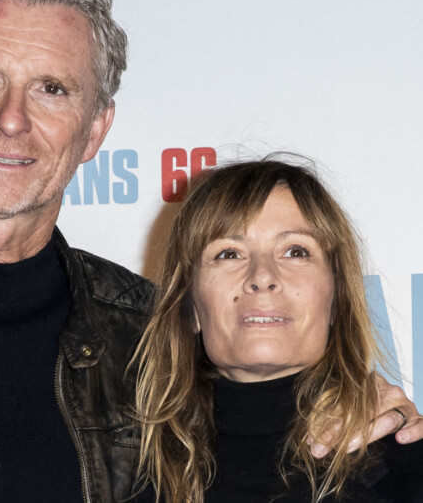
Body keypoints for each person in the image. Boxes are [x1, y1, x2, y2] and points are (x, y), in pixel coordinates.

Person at [0, 0, 420, 503]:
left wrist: (371, 412)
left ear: (95, 130)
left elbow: (268, 419)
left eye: (52, 89)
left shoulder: (142, 338)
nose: (11, 119)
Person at [133, 158, 423, 503]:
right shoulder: (124, 474)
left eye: (295, 251)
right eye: (228, 253)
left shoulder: (407, 469)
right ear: (191, 306)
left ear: (336, 298)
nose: (262, 276)